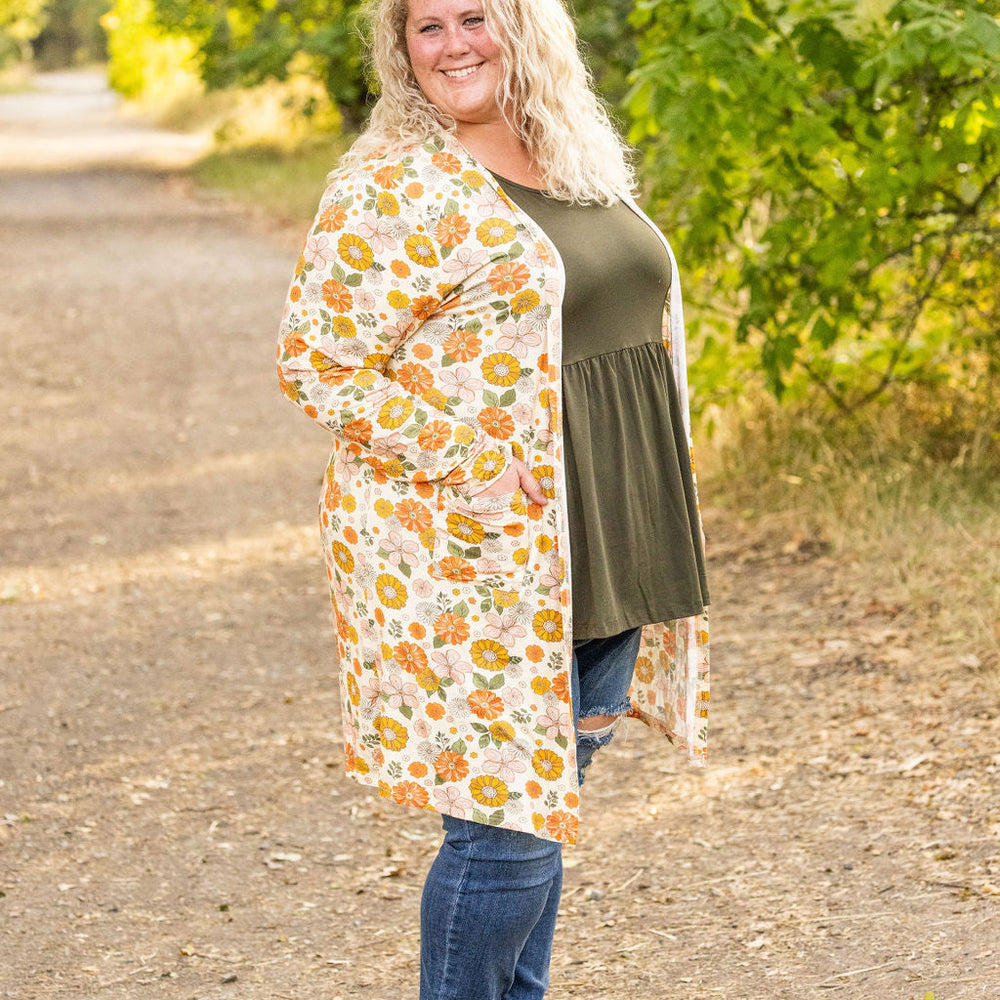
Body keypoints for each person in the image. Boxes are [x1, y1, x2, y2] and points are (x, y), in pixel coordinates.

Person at [276, 1, 710, 996]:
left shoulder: (574, 155)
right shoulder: (392, 183)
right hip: (477, 550)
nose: (454, 43)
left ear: (528, 30)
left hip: (607, 533)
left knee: (543, 815)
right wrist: (464, 454)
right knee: (505, 837)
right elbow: (313, 361)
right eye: (427, 28)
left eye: (477, 16)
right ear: (401, 51)